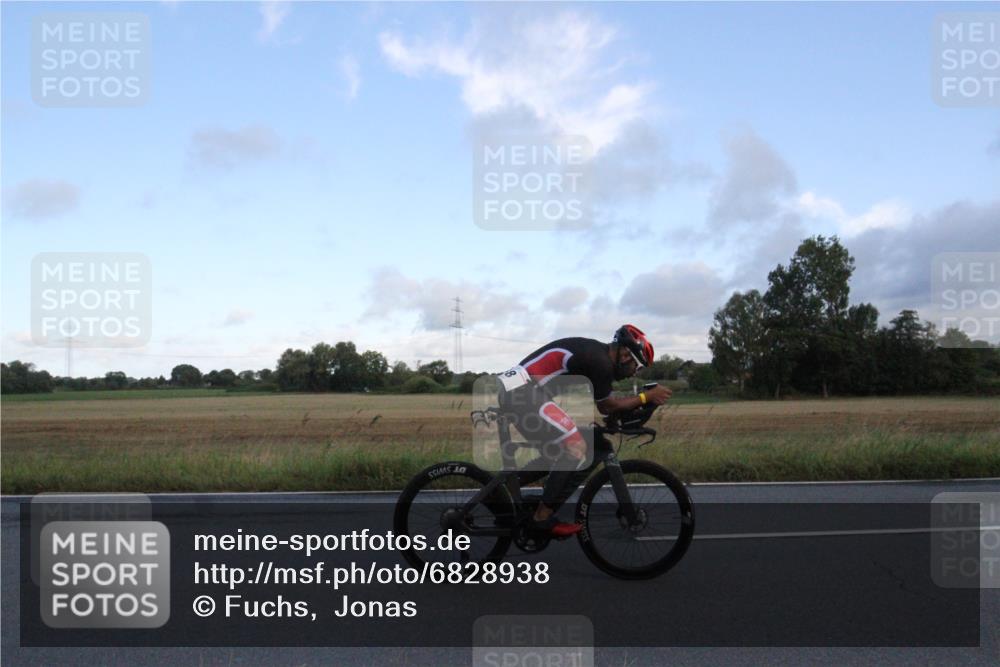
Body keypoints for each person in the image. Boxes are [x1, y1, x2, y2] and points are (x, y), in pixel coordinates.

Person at [496, 324, 672, 537]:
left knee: (562, 450)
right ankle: (541, 517)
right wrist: (646, 397)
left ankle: (502, 488)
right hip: (522, 392)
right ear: (626, 354)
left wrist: (618, 417)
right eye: (638, 366)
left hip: (520, 390)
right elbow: (607, 406)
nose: (635, 373)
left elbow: (606, 407)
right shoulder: (600, 361)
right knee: (574, 445)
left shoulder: (598, 356)